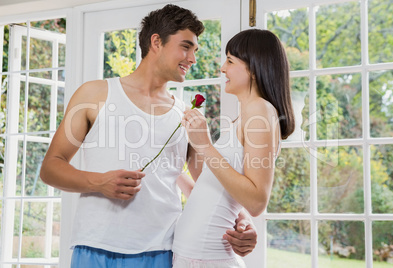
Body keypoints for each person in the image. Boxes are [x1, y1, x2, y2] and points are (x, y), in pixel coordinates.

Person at [40, 4, 257, 268]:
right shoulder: (94, 94)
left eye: (195, 50)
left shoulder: (185, 114)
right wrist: (98, 182)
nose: (192, 59)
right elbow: (51, 167)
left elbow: (208, 184)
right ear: (156, 42)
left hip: (161, 251)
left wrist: (243, 218)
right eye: (186, 47)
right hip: (94, 247)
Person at [172, 29, 295, 267]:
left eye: (230, 60)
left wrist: (205, 146)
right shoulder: (243, 117)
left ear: (254, 68)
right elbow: (211, 189)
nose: (222, 68)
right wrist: (175, 167)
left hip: (208, 257)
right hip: (194, 255)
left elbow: (257, 201)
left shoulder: (260, 110)